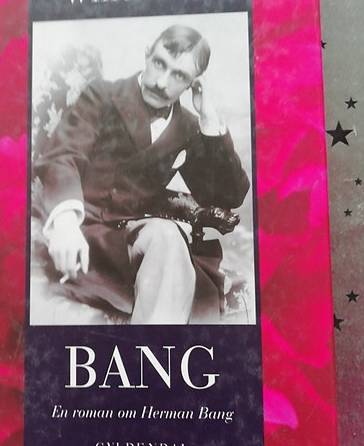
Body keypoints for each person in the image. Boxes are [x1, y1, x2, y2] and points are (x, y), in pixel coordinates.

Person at [34, 24, 250, 324]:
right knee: (167, 242)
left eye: (179, 75)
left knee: (167, 236)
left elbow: (228, 195)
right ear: (148, 53)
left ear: (193, 84)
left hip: (143, 240)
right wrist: (66, 222)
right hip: (90, 235)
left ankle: (153, 345)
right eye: (160, 63)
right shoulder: (102, 96)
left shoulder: (188, 126)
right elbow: (64, 155)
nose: (162, 82)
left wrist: (209, 119)